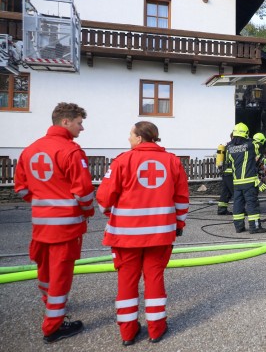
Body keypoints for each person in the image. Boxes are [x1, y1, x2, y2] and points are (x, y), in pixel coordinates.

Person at [96, 121, 189, 346]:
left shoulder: (122, 161)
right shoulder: (172, 161)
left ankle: (128, 332)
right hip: (160, 234)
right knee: (154, 278)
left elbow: (104, 198)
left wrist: (112, 214)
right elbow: (182, 199)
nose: (128, 138)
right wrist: (178, 224)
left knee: (127, 280)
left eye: (130, 134)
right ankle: (156, 329)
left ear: (139, 138)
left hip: (126, 235)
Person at [14, 102, 95, 344]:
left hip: (40, 226)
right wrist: (87, 211)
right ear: (65, 122)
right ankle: (53, 327)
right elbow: (84, 192)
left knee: (45, 270)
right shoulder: (71, 151)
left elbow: (21, 189)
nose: (82, 128)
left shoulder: (29, 150)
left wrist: (41, 201)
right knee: (61, 275)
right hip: (66, 226)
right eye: (79, 123)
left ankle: (50, 304)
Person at [228, 123, 266, 233]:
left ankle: (239, 227)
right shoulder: (250, 145)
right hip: (249, 182)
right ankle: (255, 227)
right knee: (252, 204)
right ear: (246, 134)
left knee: (238, 205)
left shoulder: (230, 148)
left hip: (237, 183)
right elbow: (260, 145)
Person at [216, 133, 234, 216]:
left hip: (225, 172)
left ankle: (221, 209)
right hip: (231, 173)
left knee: (225, 192)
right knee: (236, 192)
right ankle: (241, 210)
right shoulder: (234, 147)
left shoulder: (227, 146)